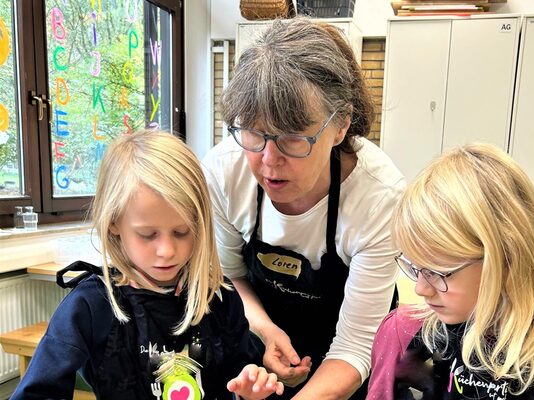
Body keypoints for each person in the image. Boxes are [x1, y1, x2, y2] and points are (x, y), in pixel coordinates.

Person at [202, 17, 405, 399]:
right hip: (259, 355)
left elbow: (354, 348)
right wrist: (265, 330)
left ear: (341, 125)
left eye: (293, 138)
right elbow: (230, 276)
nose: (268, 160)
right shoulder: (225, 170)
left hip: (344, 360)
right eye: (254, 132)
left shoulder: (379, 197)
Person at [11, 131, 284, 400]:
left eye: (182, 232)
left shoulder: (220, 296)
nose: (166, 251)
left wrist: (253, 389)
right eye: (147, 234)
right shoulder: (90, 306)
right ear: (114, 222)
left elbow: (244, 370)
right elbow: (37, 391)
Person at [368, 143, 534, 399]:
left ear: (508, 259)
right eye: (416, 267)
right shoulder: (401, 333)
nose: (420, 289)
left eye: (439, 272)